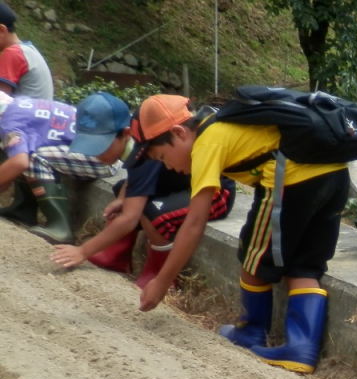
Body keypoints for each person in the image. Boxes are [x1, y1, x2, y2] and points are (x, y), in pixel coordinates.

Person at [134, 94, 349, 374]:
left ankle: (251, 331)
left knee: (253, 255)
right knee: (305, 263)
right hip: (336, 175)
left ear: (178, 132)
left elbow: (195, 222)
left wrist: (163, 281)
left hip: (292, 179)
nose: (167, 166)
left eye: (162, 156)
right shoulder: (221, 119)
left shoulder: (206, 143)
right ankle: (301, 349)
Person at [50, 111, 235, 285]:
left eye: (101, 147)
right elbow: (134, 182)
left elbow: (130, 219)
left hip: (215, 192)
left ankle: (159, 272)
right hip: (186, 184)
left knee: (152, 213)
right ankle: (117, 254)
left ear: (126, 135)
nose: (97, 155)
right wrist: (122, 197)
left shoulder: (151, 153)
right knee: (123, 190)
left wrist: (83, 251)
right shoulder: (144, 151)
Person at [0, 90, 129, 244]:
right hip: (96, 150)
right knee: (22, 149)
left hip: (102, 157)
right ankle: (23, 210)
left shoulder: (9, 123)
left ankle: (59, 225)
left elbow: (19, 163)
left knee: (33, 156)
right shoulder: (21, 104)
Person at [0, 2, 53, 100]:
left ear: (2, 31)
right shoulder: (28, 50)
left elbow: (1, 103)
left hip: (24, 115)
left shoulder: (12, 54)